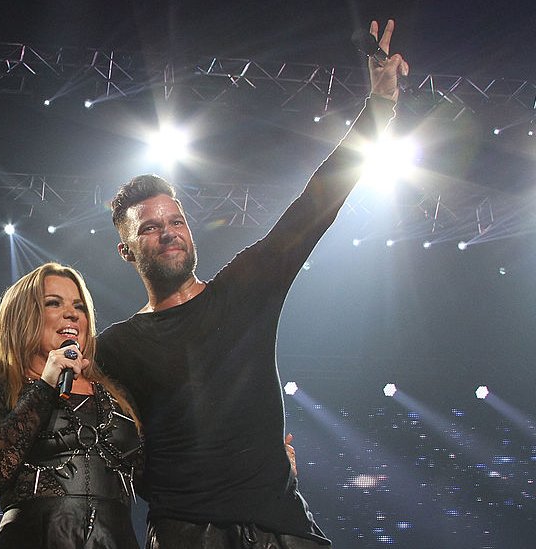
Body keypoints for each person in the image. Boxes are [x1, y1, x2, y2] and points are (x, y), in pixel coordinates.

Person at [95, 20, 409, 549]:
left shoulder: (240, 291)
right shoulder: (118, 346)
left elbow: (314, 205)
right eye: (149, 227)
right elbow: (111, 448)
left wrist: (378, 107)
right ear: (126, 250)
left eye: (176, 220)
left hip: (281, 528)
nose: (168, 232)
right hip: (185, 533)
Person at [0, 263, 143, 548]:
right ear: (24, 316)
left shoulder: (116, 394)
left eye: (79, 306)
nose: (72, 313)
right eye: (53, 303)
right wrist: (46, 385)